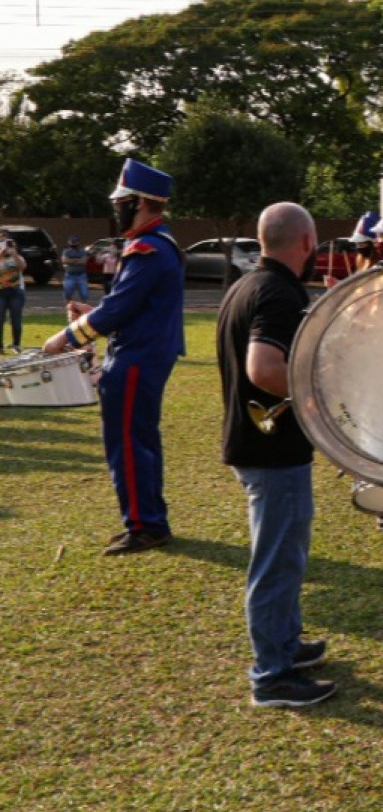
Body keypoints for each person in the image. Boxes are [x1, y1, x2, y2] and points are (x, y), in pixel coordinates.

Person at [216, 202, 336, 709]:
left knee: (285, 556)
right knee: (277, 562)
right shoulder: (278, 293)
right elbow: (264, 367)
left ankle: (286, 646)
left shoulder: (246, 285)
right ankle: (272, 675)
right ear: (307, 243)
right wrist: (320, 390)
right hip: (271, 450)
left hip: (259, 444)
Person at [43, 159, 187, 555]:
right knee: (140, 438)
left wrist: (66, 337)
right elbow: (133, 307)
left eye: (121, 202)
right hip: (144, 351)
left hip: (137, 358)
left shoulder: (147, 248)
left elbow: (120, 311)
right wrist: (93, 316)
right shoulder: (156, 243)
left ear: (139, 202)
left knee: (127, 441)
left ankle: (145, 526)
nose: (116, 209)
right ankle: (149, 519)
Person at [0, 237, 23, 351]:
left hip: (15, 292)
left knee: (16, 320)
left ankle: (16, 344)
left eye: (11, 246)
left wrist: (14, 254)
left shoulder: (18, 258)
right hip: (1, 292)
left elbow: (23, 266)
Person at [61, 235, 90, 306]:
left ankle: (83, 307)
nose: (73, 244)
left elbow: (84, 261)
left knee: (84, 294)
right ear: (69, 242)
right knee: (68, 293)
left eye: (75, 242)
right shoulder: (66, 251)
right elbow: (64, 260)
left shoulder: (82, 251)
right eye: (72, 242)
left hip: (81, 275)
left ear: (78, 243)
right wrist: (77, 261)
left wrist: (71, 261)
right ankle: (69, 307)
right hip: (69, 275)